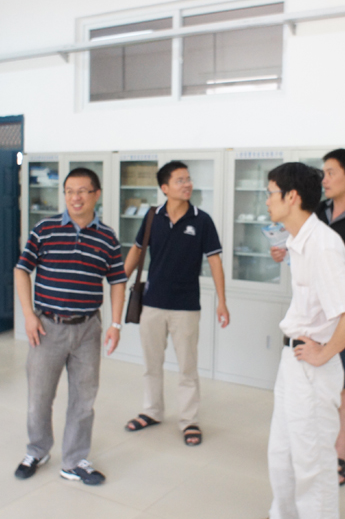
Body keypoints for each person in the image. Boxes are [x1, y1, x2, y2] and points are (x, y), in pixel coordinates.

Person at [271, 148, 345, 485]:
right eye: (323, 173)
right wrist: (284, 250)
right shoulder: (317, 212)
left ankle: (339, 452)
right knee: (299, 431)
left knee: (344, 386)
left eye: (331, 172)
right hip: (314, 323)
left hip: (340, 319)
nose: (325, 179)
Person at [13, 167, 126, 485]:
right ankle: (37, 450)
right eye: (69, 191)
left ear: (96, 195)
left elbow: (117, 281)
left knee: (84, 399)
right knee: (39, 397)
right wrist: (28, 314)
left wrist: (116, 324)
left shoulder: (107, 237)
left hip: (88, 328)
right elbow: (21, 270)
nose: (75, 197)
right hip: (47, 326)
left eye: (82, 191)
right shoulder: (45, 229)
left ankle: (74, 460)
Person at [122, 161, 229, 446]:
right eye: (180, 180)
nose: (187, 184)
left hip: (186, 307)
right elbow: (136, 251)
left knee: (187, 368)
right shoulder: (152, 217)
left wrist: (222, 301)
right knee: (151, 364)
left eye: (188, 179)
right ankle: (152, 411)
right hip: (152, 303)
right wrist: (118, 282)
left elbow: (215, 261)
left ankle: (189, 420)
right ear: (165, 188)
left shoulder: (201, 220)